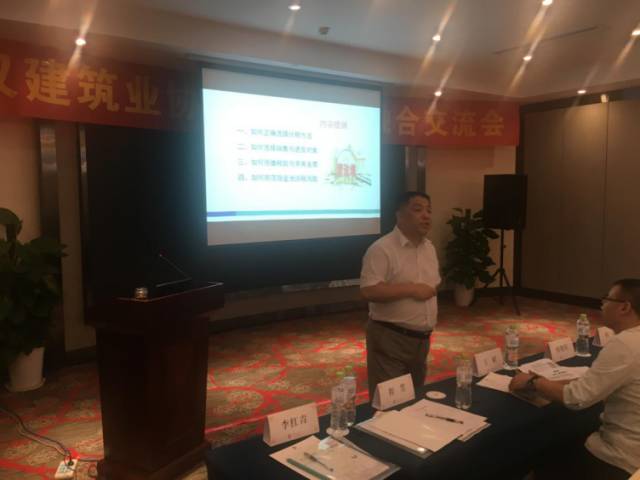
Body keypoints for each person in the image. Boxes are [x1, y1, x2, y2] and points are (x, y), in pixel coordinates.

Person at [510, 278, 640, 479]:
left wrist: (533, 381)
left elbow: (576, 398)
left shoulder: (626, 344)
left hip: (621, 459)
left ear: (624, 307)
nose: (602, 304)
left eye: (607, 299)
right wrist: (553, 383)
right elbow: (599, 382)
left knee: (541, 454)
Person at [360, 191, 441, 399]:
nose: (426, 215)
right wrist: (411, 289)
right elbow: (369, 290)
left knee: (414, 397)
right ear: (399, 214)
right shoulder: (382, 249)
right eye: (418, 209)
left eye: (429, 210)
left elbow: (431, 286)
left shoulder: (429, 248)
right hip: (390, 337)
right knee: (390, 401)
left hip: (422, 340)